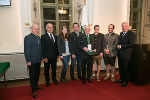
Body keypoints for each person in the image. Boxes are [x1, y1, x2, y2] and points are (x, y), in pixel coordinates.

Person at [24, 24, 43, 98]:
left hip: (38, 60)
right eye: (35, 29)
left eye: (38, 29)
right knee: (32, 76)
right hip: (31, 61)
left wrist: (41, 57)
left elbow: (40, 48)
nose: (37, 30)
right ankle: (33, 90)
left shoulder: (38, 37)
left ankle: (36, 85)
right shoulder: (27, 37)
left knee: (37, 74)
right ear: (31, 29)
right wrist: (28, 60)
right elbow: (27, 50)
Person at [116, 22, 135, 87]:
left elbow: (131, 44)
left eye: (125, 26)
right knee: (120, 68)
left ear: (128, 27)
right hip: (120, 54)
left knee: (126, 68)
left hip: (127, 55)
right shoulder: (121, 33)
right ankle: (121, 79)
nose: (123, 28)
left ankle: (125, 81)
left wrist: (121, 46)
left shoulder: (131, 34)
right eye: (122, 26)